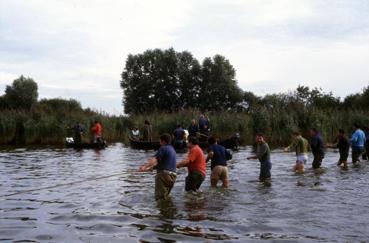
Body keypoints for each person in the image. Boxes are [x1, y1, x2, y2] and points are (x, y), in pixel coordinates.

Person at [138, 133, 177, 200]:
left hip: (163, 176)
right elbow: (162, 164)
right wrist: (149, 169)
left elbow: (155, 159)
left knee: (159, 199)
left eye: (160, 141)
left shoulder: (163, 148)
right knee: (166, 198)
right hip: (173, 177)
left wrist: (144, 167)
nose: (159, 143)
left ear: (163, 141)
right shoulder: (172, 150)